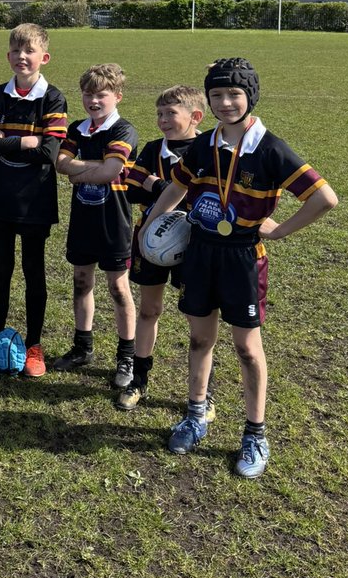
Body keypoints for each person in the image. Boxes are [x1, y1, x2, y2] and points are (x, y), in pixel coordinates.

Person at [140, 57, 337, 478]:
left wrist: (281, 231)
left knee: (247, 349)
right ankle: (195, 416)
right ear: (207, 100)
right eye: (217, 95)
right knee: (198, 340)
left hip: (244, 258)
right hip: (201, 252)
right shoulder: (203, 144)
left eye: (234, 94)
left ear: (251, 96)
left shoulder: (270, 149)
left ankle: (255, 434)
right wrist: (151, 227)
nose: (226, 102)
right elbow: (177, 185)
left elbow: (325, 198)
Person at [0, 23, 67, 377]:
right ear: (8, 55)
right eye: (16, 51)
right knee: (1, 270)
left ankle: (34, 345)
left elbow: (50, 151)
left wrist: (3, 139)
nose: (22, 57)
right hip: (1, 197)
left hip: (36, 200)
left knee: (33, 271)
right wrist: (24, 141)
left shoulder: (52, 98)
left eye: (29, 51)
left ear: (44, 57)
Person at [118, 85, 208, 413]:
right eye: (159, 114)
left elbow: (201, 194)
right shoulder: (154, 148)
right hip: (150, 240)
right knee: (148, 310)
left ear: (195, 117)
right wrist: (160, 187)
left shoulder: (208, 150)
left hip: (198, 244)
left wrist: (155, 184)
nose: (163, 120)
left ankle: (203, 393)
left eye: (171, 113)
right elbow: (131, 189)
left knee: (197, 317)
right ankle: (139, 379)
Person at [54, 63, 139, 391]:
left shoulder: (123, 130)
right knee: (80, 281)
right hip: (83, 221)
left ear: (117, 96)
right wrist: (97, 167)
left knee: (119, 289)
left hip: (114, 223)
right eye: (88, 94)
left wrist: (84, 170)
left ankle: (126, 356)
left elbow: (110, 172)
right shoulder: (77, 128)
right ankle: (83, 347)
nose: (93, 101)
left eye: (101, 95)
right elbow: (61, 165)